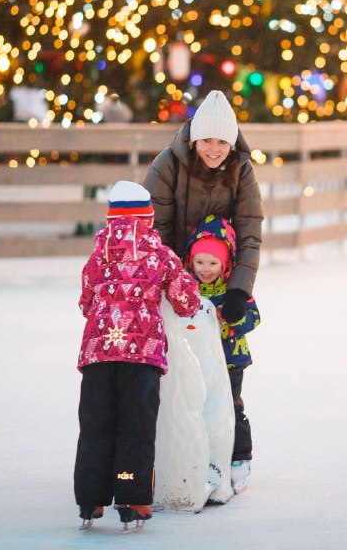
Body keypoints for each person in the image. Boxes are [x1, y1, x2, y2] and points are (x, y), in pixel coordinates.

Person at [73, 180, 200, 531]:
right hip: (141, 356)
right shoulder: (160, 255)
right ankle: (132, 497)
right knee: (136, 427)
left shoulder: (97, 254)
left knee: (95, 425)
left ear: (110, 219)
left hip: (98, 355)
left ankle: (90, 497)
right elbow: (187, 300)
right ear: (149, 219)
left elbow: (86, 302)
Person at [143, 89, 263, 309]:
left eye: (223, 142)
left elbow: (250, 230)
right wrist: (172, 279)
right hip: (169, 273)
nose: (214, 150)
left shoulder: (241, 170)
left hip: (216, 276)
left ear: (232, 144)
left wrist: (238, 289)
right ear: (194, 140)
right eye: (207, 140)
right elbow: (155, 228)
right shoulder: (167, 165)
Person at [185, 215, 261, 495]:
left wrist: (233, 317)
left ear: (225, 263)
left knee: (231, 406)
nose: (205, 269)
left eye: (212, 263)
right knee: (200, 409)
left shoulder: (234, 290)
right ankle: (203, 459)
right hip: (197, 362)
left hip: (230, 360)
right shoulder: (187, 288)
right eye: (199, 262)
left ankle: (239, 458)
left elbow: (254, 318)